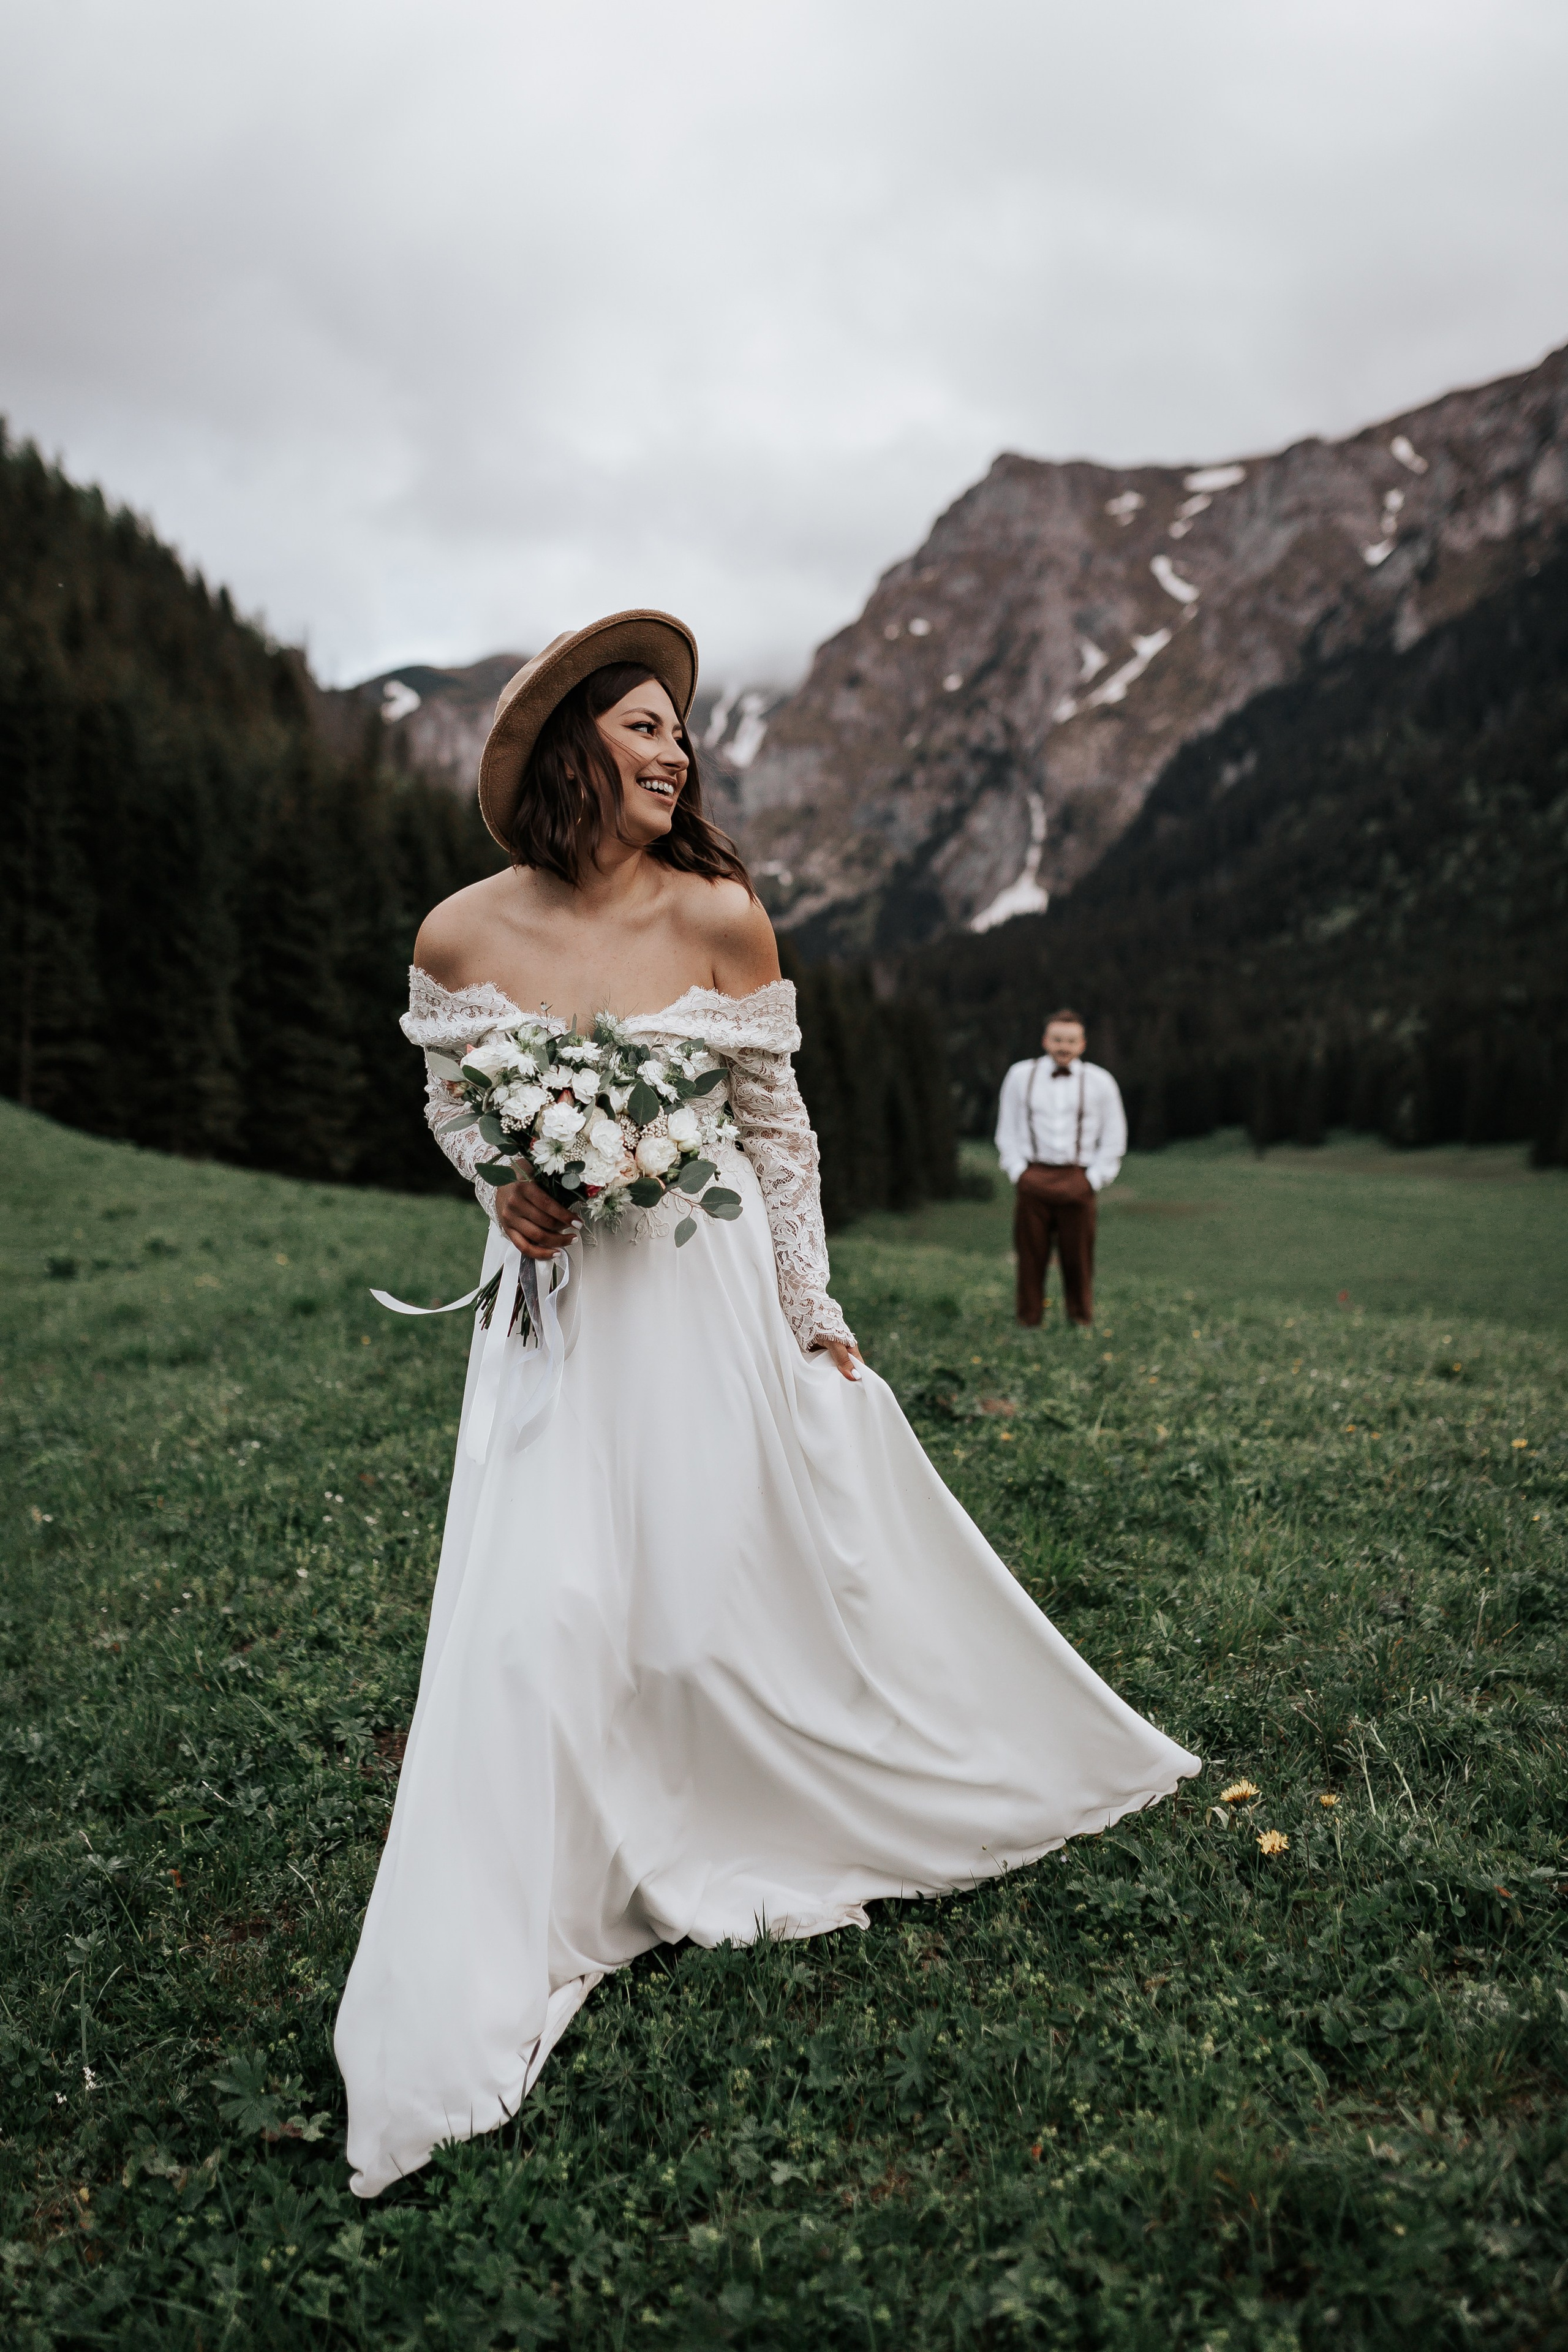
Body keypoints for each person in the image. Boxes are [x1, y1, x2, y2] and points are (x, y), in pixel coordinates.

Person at [334, 612, 1197, 2199]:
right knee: (543, 1605)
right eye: (646, 727)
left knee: (698, 1592)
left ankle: (718, 1799)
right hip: (558, 1316)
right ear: (574, 750)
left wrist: (812, 1314)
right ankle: (550, 1854)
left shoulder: (724, 918)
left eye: (682, 732)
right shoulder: (458, 935)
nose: (676, 753)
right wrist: (505, 1186)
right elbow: (455, 1104)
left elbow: (778, 1137)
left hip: (703, 1300)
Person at [995, 1010, 1126, 1329]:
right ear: (1045, 1041)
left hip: (1077, 1178)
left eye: (1070, 1041)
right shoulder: (1020, 1075)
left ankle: (1080, 1320)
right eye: (1057, 1040)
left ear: (1082, 1044)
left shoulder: (1101, 1082)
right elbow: (1007, 1130)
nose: (1063, 1047)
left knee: (1078, 1256)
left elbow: (1114, 1136)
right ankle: (1029, 1321)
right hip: (1034, 1176)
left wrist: (1093, 1179)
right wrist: (1019, 1173)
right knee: (1030, 1255)